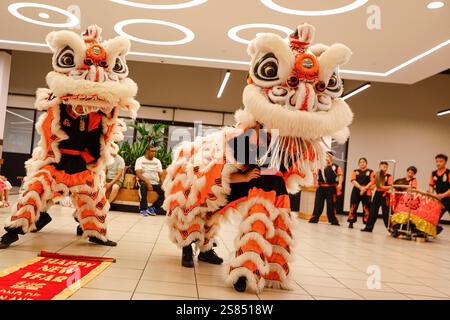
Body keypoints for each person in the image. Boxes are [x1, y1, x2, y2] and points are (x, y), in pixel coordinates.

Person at [309, 152, 342, 225]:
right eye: (326, 156)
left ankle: (333, 220)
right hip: (321, 188)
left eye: (329, 156)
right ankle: (314, 218)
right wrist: (315, 182)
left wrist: (340, 183)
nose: (327, 157)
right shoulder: (320, 165)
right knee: (318, 204)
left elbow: (340, 175)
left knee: (331, 205)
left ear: (332, 157)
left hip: (331, 188)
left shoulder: (336, 166)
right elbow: (315, 174)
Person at [361, 161, 393, 232]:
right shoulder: (376, 174)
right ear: (379, 167)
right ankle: (368, 227)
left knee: (386, 212)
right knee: (372, 211)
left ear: (387, 168)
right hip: (377, 194)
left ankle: (390, 229)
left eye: (385, 167)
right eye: (382, 166)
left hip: (385, 195)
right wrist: (365, 188)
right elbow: (372, 182)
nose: (384, 168)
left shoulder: (389, 176)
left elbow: (390, 187)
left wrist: (382, 187)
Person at [135, 146, 166, 216]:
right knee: (143, 186)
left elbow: (160, 175)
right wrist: (148, 182)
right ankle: (143, 209)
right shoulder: (140, 160)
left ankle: (153, 208)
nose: (154, 153)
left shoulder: (157, 161)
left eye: (155, 151)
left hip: (155, 182)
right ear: (147, 151)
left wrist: (163, 184)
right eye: (152, 151)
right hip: (142, 181)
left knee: (165, 193)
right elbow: (138, 174)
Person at [347, 157, 373, 228]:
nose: (362, 163)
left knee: (366, 207)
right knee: (353, 206)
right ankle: (351, 222)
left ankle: (366, 224)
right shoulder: (355, 171)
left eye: (364, 162)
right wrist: (360, 188)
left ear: (366, 163)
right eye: (360, 162)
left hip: (366, 190)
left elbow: (372, 181)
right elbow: (353, 180)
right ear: (359, 164)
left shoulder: (370, 171)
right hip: (356, 190)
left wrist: (364, 188)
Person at [429, 154, 450, 234]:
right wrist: (430, 194)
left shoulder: (448, 173)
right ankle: (432, 233)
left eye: (441, 161)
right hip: (440, 200)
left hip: (448, 199)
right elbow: (431, 186)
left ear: (445, 162)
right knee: (434, 217)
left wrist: (442, 195)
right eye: (437, 161)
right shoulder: (433, 173)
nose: (438, 163)